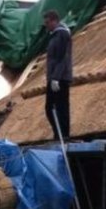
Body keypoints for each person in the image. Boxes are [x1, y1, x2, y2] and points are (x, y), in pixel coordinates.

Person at [43, 10, 72, 141]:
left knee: (60, 107)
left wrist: (56, 78)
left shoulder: (62, 34)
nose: (46, 25)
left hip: (60, 78)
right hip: (54, 77)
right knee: (50, 108)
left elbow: (62, 57)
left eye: (48, 22)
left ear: (55, 20)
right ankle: (58, 134)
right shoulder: (54, 35)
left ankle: (63, 135)